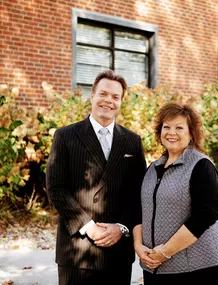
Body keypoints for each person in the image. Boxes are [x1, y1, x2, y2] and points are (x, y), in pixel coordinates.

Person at [46, 70, 146, 285]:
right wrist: (88, 226)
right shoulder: (66, 136)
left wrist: (122, 227)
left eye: (115, 97)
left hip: (117, 250)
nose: (108, 101)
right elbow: (56, 188)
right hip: (77, 248)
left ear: (121, 102)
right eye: (103, 94)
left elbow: (139, 192)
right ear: (92, 96)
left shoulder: (132, 141)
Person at [133, 102, 218, 285]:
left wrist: (165, 252)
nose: (171, 132)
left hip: (197, 270)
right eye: (166, 127)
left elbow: (205, 215)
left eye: (179, 127)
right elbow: (139, 209)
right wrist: (139, 246)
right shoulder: (152, 168)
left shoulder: (201, 166)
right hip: (154, 266)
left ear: (191, 134)